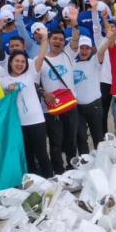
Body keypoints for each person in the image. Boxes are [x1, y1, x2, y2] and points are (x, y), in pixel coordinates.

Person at [35, 26, 81, 174]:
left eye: (61, 39)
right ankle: (59, 172)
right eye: (54, 38)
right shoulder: (40, 59)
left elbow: (75, 40)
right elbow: (34, 82)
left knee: (71, 140)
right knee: (56, 142)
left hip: (70, 105)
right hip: (51, 108)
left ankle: (72, 168)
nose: (58, 42)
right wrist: (43, 92)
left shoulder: (68, 54)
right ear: (48, 40)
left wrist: (74, 24)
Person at [0, 50, 51, 178]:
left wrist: (44, 38)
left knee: (42, 154)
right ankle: (34, 182)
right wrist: (7, 91)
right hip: (18, 124)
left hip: (36, 121)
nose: (20, 64)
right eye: (17, 61)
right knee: (27, 155)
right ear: (10, 62)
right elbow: (2, 101)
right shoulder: (3, 80)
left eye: (23, 62)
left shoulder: (30, 74)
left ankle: (50, 180)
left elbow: (41, 56)